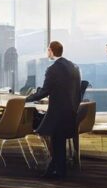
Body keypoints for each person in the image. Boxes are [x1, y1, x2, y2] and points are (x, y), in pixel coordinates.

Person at [27, 41, 82, 179]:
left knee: (55, 139)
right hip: (70, 111)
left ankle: (59, 172)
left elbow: (44, 92)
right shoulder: (73, 67)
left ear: (51, 51)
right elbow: (78, 91)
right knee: (59, 141)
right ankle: (55, 169)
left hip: (58, 112)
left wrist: (25, 99)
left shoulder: (53, 69)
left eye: (48, 50)